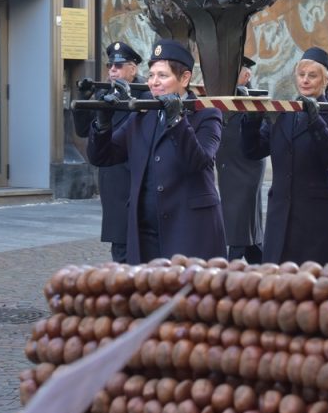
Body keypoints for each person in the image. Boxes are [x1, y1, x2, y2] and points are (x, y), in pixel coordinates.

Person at [86, 39, 226, 263]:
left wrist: (177, 120)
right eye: (151, 75)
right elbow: (103, 156)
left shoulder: (207, 115)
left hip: (188, 230)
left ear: (185, 78)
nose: (153, 83)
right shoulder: (143, 114)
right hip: (145, 235)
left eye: (162, 76)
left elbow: (199, 161)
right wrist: (102, 124)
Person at [242, 47, 328, 267]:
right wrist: (252, 121)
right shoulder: (284, 113)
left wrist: (315, 121)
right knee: (279, 286)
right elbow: (253, 151)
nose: (305, 80)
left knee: (319, 287)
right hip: (281, 217)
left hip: (316, 219)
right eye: (301, 75)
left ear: (326, 80)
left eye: (312, 75)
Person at [72, 41, 149, 263]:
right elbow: (83, 130)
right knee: (120, 246)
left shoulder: (145, 93)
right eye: (110, 66)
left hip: (136, 177)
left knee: (141, 242)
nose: (112, 71)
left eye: (118, 66)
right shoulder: (105, 92)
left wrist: (126, 99)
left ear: (133, 69)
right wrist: (85, 99)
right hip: (113, 179)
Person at [216, 56, 266, 263]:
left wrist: (249, 106)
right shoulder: (220, 96)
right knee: (243, 222)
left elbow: (260, 134)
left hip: (247, 168)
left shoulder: (255, 99)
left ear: (246, 76)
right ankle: (260, 261)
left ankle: (230, 265)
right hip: (228, 167)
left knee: (240, 216)